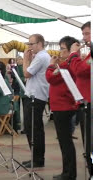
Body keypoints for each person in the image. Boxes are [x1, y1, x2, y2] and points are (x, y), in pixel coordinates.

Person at [46, 36, 79, 180]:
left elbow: (50, 78)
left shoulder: (66, 66)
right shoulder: (66, 64)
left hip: (63, 106)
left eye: (62, 49)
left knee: (65, 142)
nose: (60, 52)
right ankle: (67, 172)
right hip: (62, 105)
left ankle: (69, 173)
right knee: (65, 141)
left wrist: (51, 65)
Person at [22, 34, 50, 168]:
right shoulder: (40, 56)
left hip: (36, 97)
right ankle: (36, 157)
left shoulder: (41, 57)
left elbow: (26, 74)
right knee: (32, 128)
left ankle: (38, 159)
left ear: (39, 44)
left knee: (33, 128)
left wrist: (25, 60)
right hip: (35, 95)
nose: (29, 47)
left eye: (31, 44)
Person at [68, 21, 92, 176]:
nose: (84, 38)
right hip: (85, 101)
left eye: (87, 34)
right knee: (87, 143)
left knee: (90, 144)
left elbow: (80, 70)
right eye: (83, 34)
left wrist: (73, 54)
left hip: (89, 102)